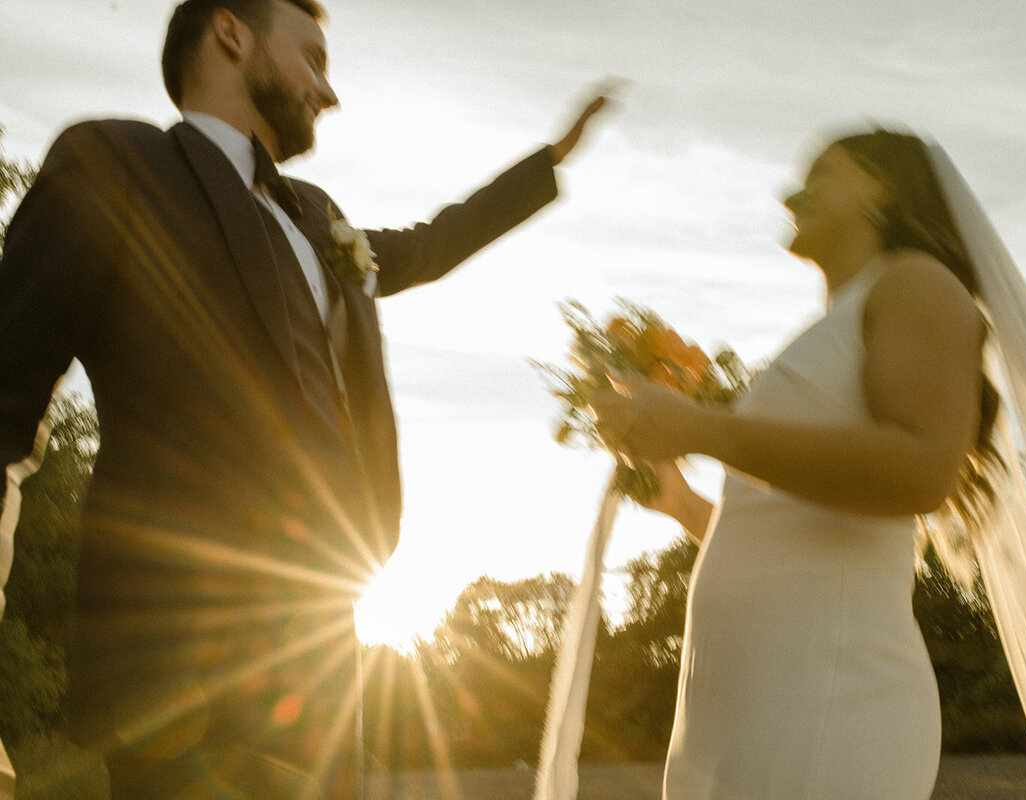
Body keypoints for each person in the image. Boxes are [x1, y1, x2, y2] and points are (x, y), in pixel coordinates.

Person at [0, 0, 609, 795]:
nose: (330, 92)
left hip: (322, 660)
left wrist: (547, 163)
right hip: (178, 664)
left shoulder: (322, 219)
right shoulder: (115, 162)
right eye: (314, 59)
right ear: (230, 34)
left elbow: (428, 246)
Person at [591, 129, 1000, 799]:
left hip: (829, 700)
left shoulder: (917, 283)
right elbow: (788, 528)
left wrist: (703, 428)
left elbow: (924, 467)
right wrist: (684, 504)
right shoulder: (833, 325)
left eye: (819, 173)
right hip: (745, 708)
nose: (790, 194)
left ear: (878, 187)